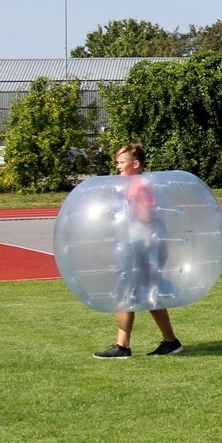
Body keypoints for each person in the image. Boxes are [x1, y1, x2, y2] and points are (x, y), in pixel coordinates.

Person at [93, 144, 184, 358]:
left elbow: (147, 216)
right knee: (142, 294)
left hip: (143, 246)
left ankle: (123, 347)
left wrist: (125, 209)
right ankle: (168, 342)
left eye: (121, 163)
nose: (118, 167)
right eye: (117, 163)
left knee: (129, 293)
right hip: (140, 244)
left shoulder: (139, 187)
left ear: (135, 164)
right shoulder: (133, 185)